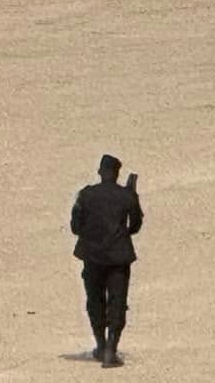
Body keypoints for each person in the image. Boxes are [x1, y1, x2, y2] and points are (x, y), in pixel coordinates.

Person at [70, 153, 144, 368]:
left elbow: (75, 227)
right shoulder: (126, 195)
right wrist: (132, 197)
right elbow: (136, 225)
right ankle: (111, 350)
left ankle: (101, 346)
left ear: (101, 172)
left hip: (92, 256)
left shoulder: (86, 194)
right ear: (117, 173)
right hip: (118, 256)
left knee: (95, 300)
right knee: (117, 302)